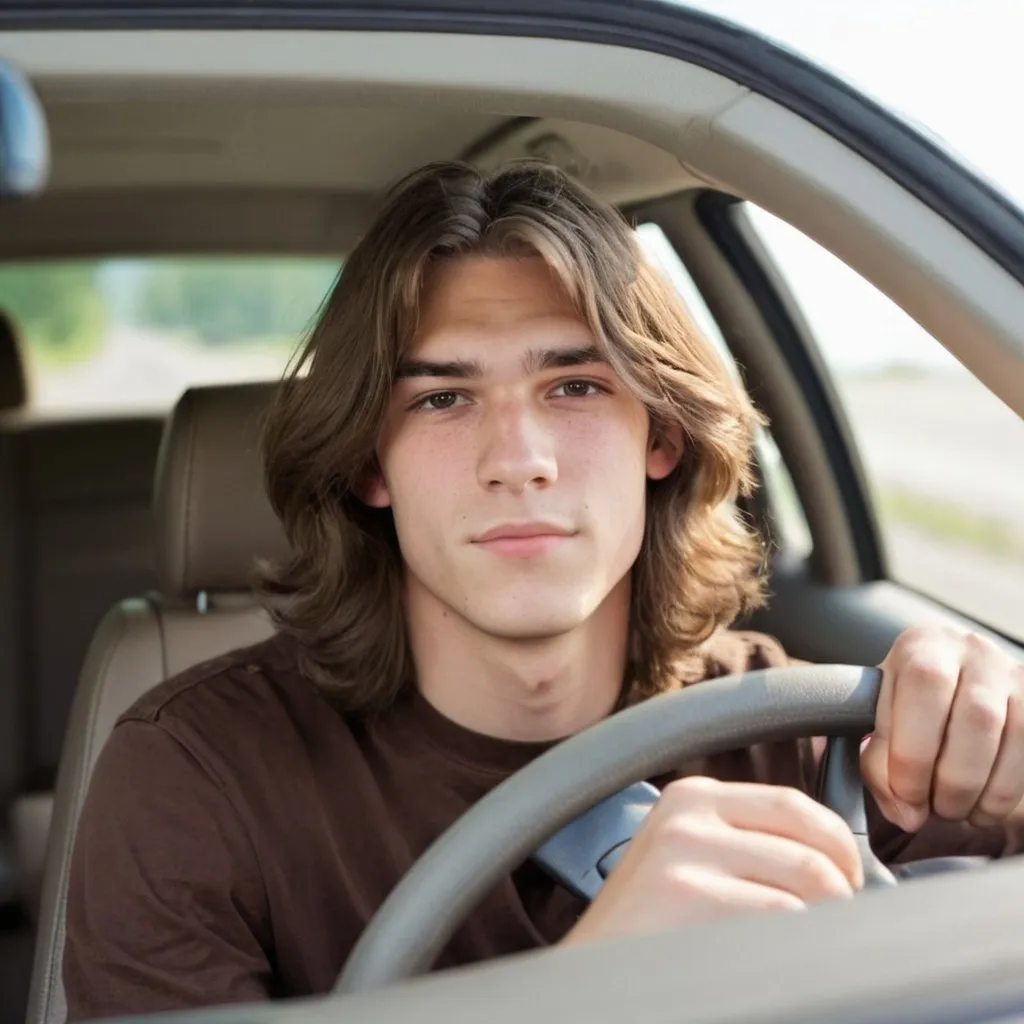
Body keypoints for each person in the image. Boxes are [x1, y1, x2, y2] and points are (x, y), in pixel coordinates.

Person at [64, 161, 1024, 1020]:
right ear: (370, 466)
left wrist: (992, 720)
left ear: (662, 436)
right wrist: (591, 992)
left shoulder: (803, 733)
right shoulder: (195, 774)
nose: (517, 461)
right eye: (442, 399)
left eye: (575, 388)